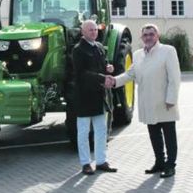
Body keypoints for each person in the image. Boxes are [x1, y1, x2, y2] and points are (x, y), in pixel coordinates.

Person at [106, 23, 181, 178]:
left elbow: (175, 78)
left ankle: (170, 165)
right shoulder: (139, 54)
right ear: (142, 37)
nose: (148, 37)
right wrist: (114, 81)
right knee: (154, 134)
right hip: (147, 102)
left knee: (169, 136)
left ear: (157, 36)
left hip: (164, 102)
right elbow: (129, 74)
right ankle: (159, 162)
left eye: (151, 34)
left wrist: (171, 99)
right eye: (145, 35)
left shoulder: (168, 51)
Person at [72, 20, 117, 175]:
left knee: (101, 130)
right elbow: (81, 73)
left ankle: (101, 161)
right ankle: (85, 163)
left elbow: (103, 65)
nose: (94, 32)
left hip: (99, 96)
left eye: (95, 30)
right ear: (83, 32)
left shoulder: (99, 47)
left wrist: (108, 68)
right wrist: (101, 78)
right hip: (84, 96)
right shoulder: (78, 50)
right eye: (90, 30)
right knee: (83, 132)